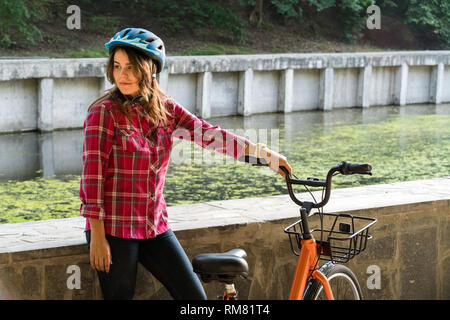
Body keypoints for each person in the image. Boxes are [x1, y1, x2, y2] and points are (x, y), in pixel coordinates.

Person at [79, 27, 293, 300]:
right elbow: (92, 176)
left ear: (150, 70)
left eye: (131, 67)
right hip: (113, 228)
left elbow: (209, 135)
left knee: (195, 299)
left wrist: (263, 153)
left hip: (153, 225)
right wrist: (97, 236)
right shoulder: (104, 112)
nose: (122, 75)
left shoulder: (165, 108)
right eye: (117, 66)